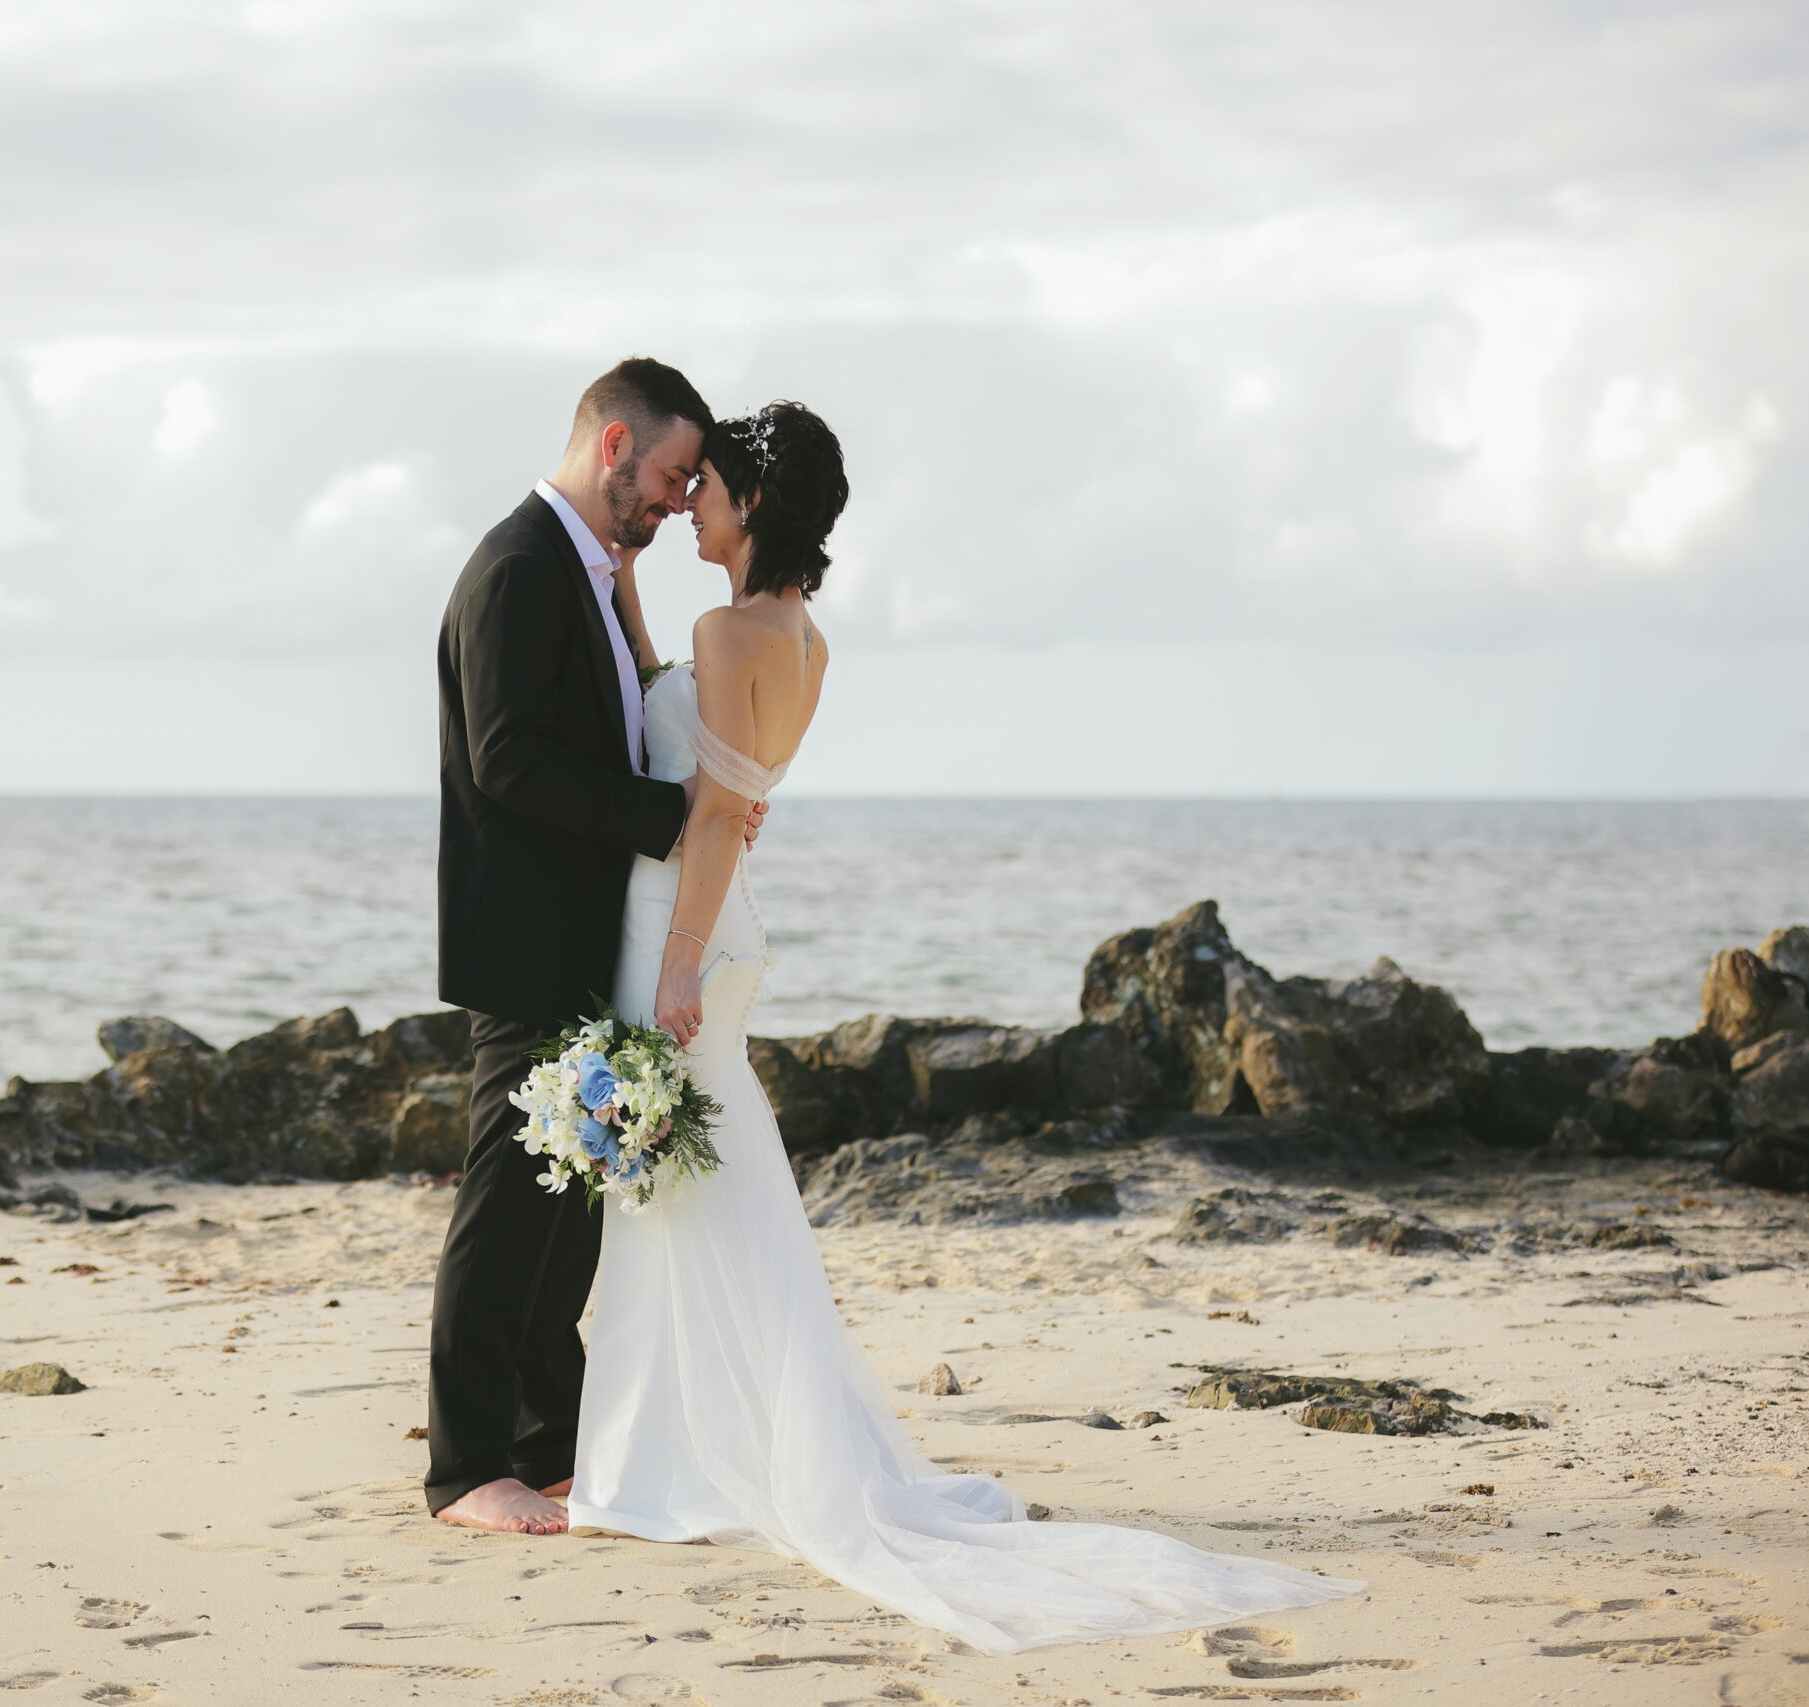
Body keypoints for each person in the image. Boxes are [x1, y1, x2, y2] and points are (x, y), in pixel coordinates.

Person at [564, 399, 1364, 1652]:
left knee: (682, 1192)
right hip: (724, 931)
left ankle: (675, 1456)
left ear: (753, 504)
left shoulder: (728, 629)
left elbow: (714, 816)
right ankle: (695, 1445)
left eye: (708, 484)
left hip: (683, 929)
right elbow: (724, 767)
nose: (691, 504)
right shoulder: (800, 641)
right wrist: (621, 600)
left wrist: (671, 970)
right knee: (709, 1190)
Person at [424, 357, 764, 1535]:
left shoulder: (590, 576)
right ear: (614, 446)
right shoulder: (518, 567)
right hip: (521, 937)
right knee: (507, 1212)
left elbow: (615, 730)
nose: (677, 503)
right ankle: (465, 1471)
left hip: (581, 934)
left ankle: (546, 1444)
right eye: (671, 475)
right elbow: (508, 757)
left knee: (566, 1209)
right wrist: (675, 818)